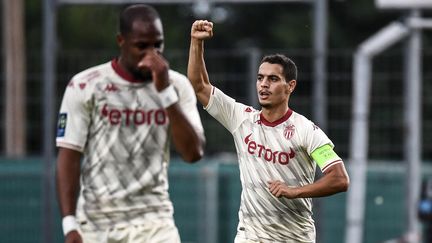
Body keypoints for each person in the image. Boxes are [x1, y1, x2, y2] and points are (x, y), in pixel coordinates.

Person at [188, 20, 350, 243]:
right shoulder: (241, 118)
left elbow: (340, 179)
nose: (264, 84)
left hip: (294, 237)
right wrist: (196, 42)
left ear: (290, 86)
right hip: (250, 235)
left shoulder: (306, 131)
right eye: (260, 78)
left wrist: (295, 191)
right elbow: (199, 85)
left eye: (273, 79)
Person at [55, 4, 205, 243]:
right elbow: (69, 155)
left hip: (155, 223)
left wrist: (165, 92)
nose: (152, 54)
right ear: (121, 41)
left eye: (158, 45)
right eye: (142, 46)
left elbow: (193, 153)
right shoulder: (85, 85)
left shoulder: (176, 86)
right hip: (96, 224)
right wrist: (69, 224)